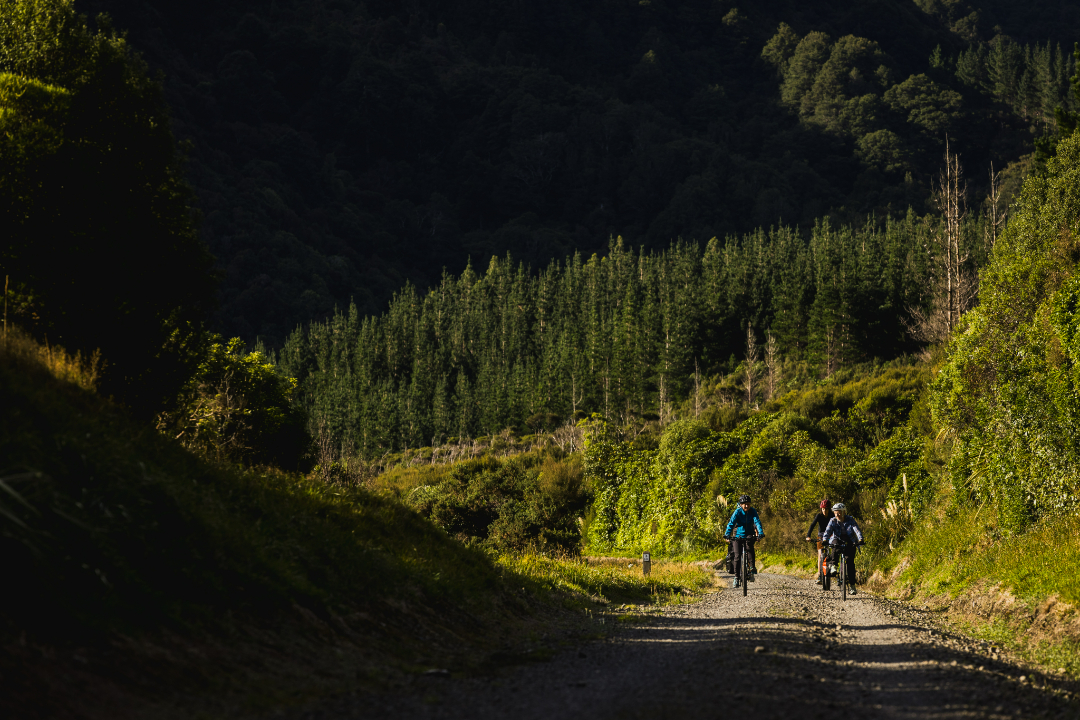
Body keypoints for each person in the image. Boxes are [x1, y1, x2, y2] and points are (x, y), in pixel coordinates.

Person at [822, 502, 864, 594]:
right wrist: (825, 540)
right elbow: (828, 531)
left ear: (844, 512)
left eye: (839, 512)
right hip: (836, 540)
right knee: (835, 546)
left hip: (849, 541)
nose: (837, 514)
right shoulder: (832, 520)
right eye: (835, 512)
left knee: (850, 562)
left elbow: (856, 530)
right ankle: (833, 565)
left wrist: (860, 539)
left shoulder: (850, 519)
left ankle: (852, 586)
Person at [724, 494, 764, 588]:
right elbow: (731, 523)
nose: (746, 506)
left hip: (749, 534)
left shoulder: (753, 511)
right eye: (744, 504)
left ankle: (752, 567)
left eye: (748, 504)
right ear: (740, 505)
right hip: (738, 535)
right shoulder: (737, 512)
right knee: (737, 556)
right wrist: (727, 534)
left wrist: (760, 533)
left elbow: (757, 522)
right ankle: (737, 577)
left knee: (750, 548)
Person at [805, 498, 831, 585]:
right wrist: (808, 536)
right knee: (820, 554)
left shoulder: (832, 515)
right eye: (823, 509)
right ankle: (820, 575)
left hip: (831, 535)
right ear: (821, 509)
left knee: (834, 551)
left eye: (826, 509)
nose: (824, 511)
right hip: (820, 536)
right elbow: (812, 525)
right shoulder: (819, 516)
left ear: (829, 509)